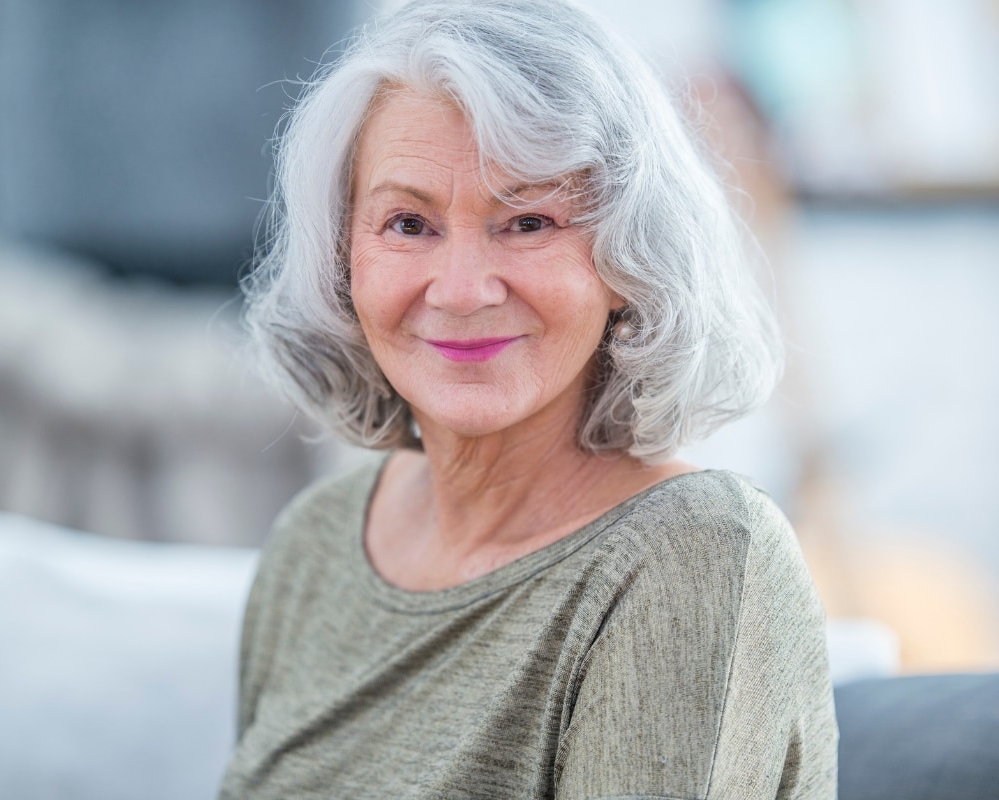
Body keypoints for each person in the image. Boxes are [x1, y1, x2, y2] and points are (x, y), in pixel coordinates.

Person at [219, 0, 837, 797]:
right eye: (408, 224)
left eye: (528, 221)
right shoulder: (317, 542)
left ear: (628, 259)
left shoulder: (696, 551)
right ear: (343, 262)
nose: (464, 289)